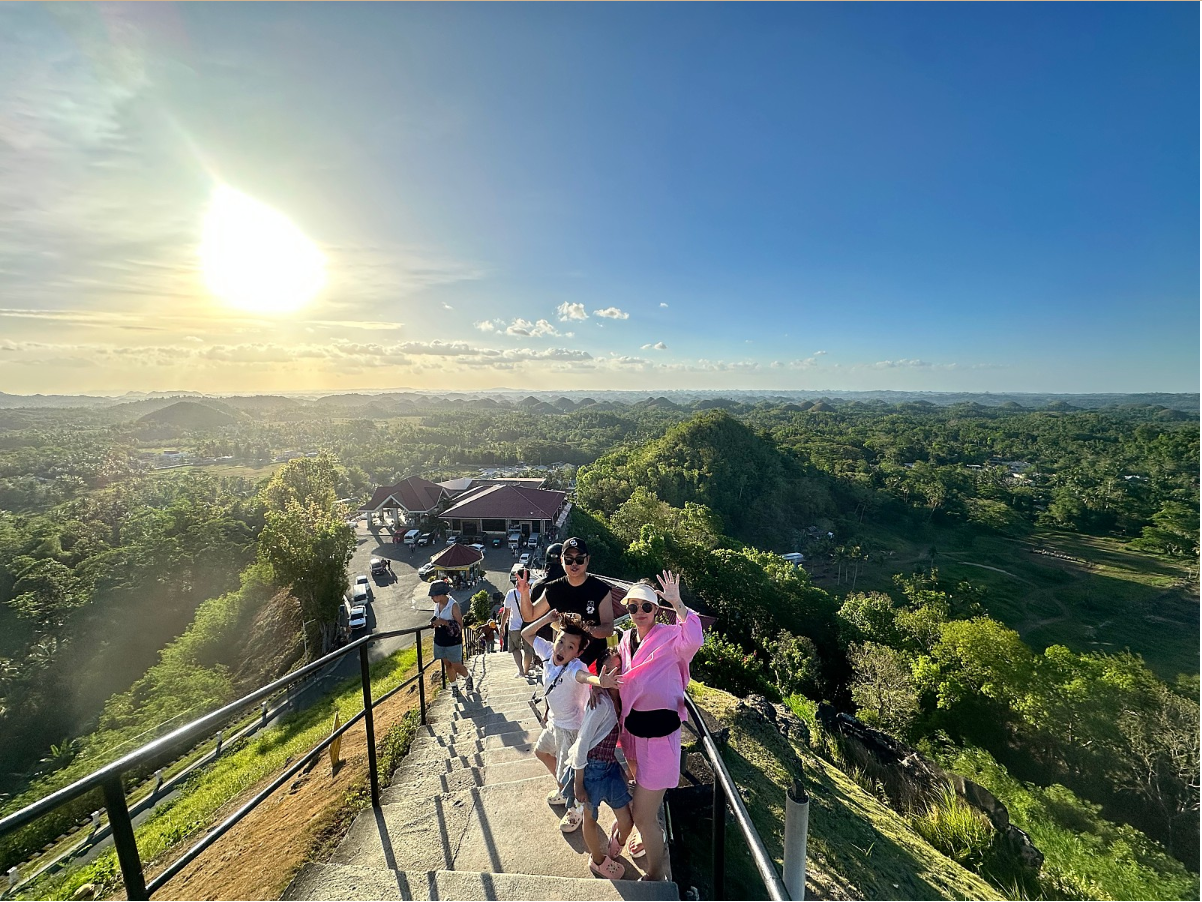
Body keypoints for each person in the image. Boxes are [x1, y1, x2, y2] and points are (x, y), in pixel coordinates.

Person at [616, 572, 703, 881]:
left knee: (641, 814)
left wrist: (677, 602)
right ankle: (648, 832)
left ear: (656, 610)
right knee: (643, 801)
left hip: (661, 738)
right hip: (635, 734)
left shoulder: (669, 636)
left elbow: (693, 639)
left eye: (647, 607)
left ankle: (656, 872)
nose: (640, 613)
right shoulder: (626, 639)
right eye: (633, 607)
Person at [561, 646, 634, 879]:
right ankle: (598, 861)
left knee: (627, 821)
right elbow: (582, 744)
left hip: (609, 766)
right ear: (601, 671)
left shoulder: (617, 698)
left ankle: (617, 841)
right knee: (590, 819)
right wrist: (578, 783)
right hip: (590, 770)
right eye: (609, 670)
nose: (614, 675)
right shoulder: (600, 703)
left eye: (619, 669)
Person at [520, 608, 590, 833]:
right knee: (541, 752)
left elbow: (583, 677)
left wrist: (600, 681)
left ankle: (576, 809)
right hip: (554, 722)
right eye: (561, 642)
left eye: (571, 647)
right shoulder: (549, 653)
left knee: (567, 773)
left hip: (569, 729)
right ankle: (564, 790)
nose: (563, 649)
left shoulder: (575, 668)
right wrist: (547, 619)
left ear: (577, 653)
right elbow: (526, 634)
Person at [518, 537, 613, 672]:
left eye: (579, 559)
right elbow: (530, 616)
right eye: (569, 559)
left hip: (592, 663)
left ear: (587, 560)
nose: (574, 564)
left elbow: (608, 629)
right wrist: (524, 594)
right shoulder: (553, 588)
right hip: (562, 663)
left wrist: (583, 628)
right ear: (562, 561)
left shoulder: (601, 590)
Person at [429, 580, 473, 692]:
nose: (432, 598)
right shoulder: (437, 605)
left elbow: (459, 625)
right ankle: (454, 686)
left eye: (433, 596)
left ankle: (468, 677)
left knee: (456, 665)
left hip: (452, 640)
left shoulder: (453, 605)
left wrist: (443, 622)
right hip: (440, 639)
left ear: (440, 595)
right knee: (447, 665)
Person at [501, 572, 534, 678]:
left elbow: (506, 613)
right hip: (528, 625)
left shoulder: (511, 593)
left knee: (515, 648)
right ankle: (526, 670)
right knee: (528, 649)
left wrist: (502, 627)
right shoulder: (531, 592)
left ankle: (520, 670)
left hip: (514, 626)